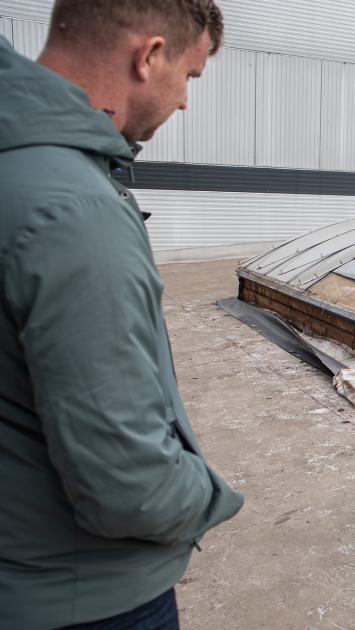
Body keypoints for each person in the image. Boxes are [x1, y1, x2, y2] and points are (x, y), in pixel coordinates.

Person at [0, 2, 242, 628]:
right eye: (189, 76)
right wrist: (208, 496)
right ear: (148, 55)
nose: (185, 102)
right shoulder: (73, 209)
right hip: (87, 596)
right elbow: (126, 482)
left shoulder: (19, 165)